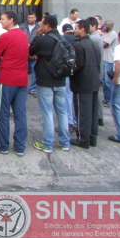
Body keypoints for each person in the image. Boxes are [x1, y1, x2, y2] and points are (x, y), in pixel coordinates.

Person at [0, 10, 29, 157]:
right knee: (20, 114)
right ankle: (20, 146)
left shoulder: (5, 36)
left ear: (11, 20)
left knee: (3, 113)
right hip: (22, 79)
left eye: (3, 19)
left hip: (7, 79)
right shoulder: (24, 35)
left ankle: (2, 145)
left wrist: (3, 59)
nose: (0, 21)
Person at [29, 14, 70, 153]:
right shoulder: (63, 39)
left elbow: (31, 50)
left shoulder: (44, 40)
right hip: (61, 80)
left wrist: (37, 36)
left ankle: (47, 143)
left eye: (42, 24)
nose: (40, 27)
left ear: (47, 25)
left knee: (47, 112)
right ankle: (65, 142)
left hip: (45, 80)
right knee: (62, 112)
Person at [69, 19, 101, 149]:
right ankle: (92, 137)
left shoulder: (79, 45)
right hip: (93, 81)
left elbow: (77, 65)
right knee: (92, 111)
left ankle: (83, 139)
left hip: (82, 83)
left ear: (82, 30)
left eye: (76, 28)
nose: (74, 30)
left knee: (82, 112)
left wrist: (69, 72)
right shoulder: (94, 44)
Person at [20, 13, 41, 96]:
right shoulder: (22, 26)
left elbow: (41, 39)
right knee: (22, 70)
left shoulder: (39, 27)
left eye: (32, 17)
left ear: (35, 18)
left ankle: (32, 88)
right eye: (28, 17)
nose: (30, 19)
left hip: (34, 52)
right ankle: (22, 87)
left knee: (34, 70)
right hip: (23, 51)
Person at [101, 20, 118, 106]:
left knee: (108, 81)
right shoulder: (104, 33)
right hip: (103, 59)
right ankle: (106, 98)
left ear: (111, 26)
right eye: (104, 24)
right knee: (104, 81)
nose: (104, 26)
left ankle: (110, 100)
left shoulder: (112, 34)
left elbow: (104, 45)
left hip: (109, 60)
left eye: (106, 25)